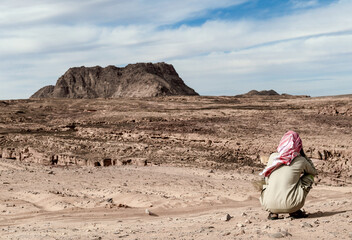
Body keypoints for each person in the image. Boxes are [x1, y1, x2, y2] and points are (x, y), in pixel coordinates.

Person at [259, 130, 317, 220]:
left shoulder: (273, 157)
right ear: (299, 145)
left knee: (269, 175)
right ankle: (294, 211)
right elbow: (313, 172)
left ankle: (273, 213)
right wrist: (304, 155)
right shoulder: (300, 160)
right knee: (309, 176)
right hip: (293, 205)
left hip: (268, 204)